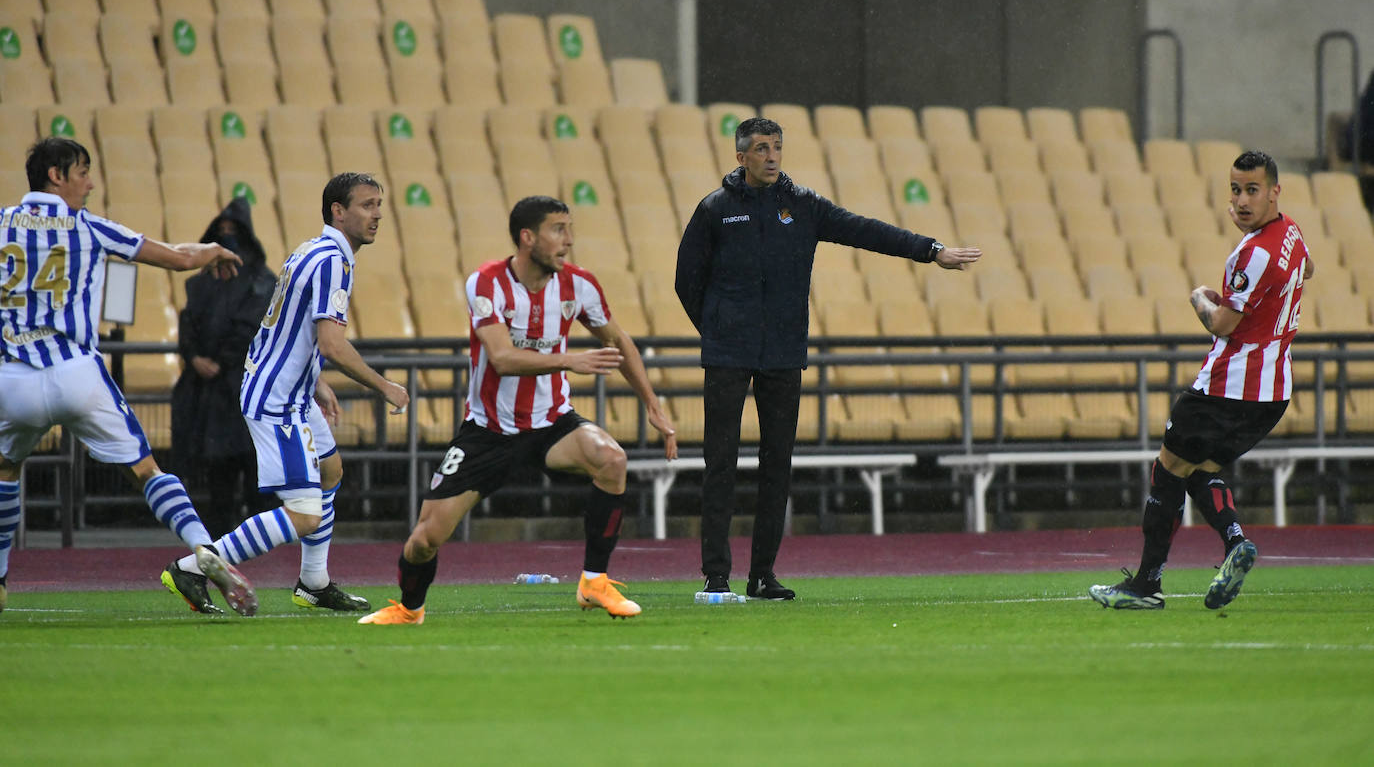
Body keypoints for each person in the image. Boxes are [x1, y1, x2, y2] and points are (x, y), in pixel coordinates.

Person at [675, 117, 981, 601]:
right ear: (741, 158)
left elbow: (866, 231)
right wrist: (717, 330)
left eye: (776, 147)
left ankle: (762, 576)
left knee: (778, 464)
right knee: (722, 463)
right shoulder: (714, 210)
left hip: (783, 353)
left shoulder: (803, 206)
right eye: (760, 149)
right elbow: (685, 281)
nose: (771, 156)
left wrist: (931, 251)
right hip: (728, 355)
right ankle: (716, 575)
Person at [359, 195, 677, 625]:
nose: (568, 240)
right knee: (424, 540)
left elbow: (618, 341)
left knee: (612, 459)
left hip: (552, 424)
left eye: (570, 229)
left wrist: (654, 407)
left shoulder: (579, 285)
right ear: (528, 238)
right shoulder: (486, 283)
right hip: (488, 432)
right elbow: (503, 359)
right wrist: (570, 360)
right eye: (558, 230)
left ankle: (594, 581)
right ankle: (409, 609)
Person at [0, 138, 253, 616]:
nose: (90, 183)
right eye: (83, 172)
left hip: (12, 380)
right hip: (76, 371)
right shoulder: (89, 227)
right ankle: (203, 548)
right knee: (146, 471)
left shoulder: (1, 224)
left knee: (6, 470)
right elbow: (178, 257)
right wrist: (213, 251)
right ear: (56, 175)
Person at [160, 173, 409, 616]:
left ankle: (314, 582)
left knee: (330, 471)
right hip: (277, 400)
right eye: (368, 205)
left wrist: (315, 380)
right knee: (305, 515)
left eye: (379, 204)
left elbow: (284, 327)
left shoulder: (309, 250)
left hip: (289, 389)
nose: (377, 214)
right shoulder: (333, 260)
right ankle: (191, 567)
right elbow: (332, 343)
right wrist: (384, 385)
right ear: (338, 210)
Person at [1090, 150, 1312, 611]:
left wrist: (1199, 299)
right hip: (1273, 394)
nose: (1243, 200)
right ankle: (1235, 543)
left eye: (1253, 190)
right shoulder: (1289, 232)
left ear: (1275, 190)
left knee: (1167, 470)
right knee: (1202, 470)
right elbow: (1306, 270)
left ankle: (1146, 585)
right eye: (1236, 190)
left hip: (1225, 386)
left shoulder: (1252, 254)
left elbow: (1223, 324)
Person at [170, 197, 276, 539]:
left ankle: (258, 543)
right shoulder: (201, 283)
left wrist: (222, 359)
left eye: (234, 230)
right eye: (223, 231)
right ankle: (218, 543)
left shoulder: (262, 280)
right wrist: (194, 357)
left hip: (246, 390)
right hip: (211, 396)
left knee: (258, 475)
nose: (228, 236)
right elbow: (189, 324)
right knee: (218, 476)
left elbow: (252, 327)